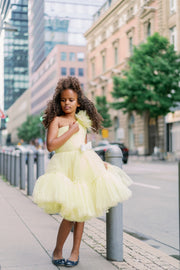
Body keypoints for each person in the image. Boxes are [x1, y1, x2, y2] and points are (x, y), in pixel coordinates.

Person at [33, 76, 133, 268]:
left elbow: (84, 146)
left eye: (70, 100)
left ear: (78, 102)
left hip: (82, 166)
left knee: (81, 211)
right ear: (58, 101)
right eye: (63, 100)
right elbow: (51, 146)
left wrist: (98, 163)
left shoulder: (82, 121)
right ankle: (58, 250)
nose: (66, 103)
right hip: (63, 168)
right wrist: (71, 130)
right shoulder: (57, 120)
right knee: (70, 213)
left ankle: (75, 251)